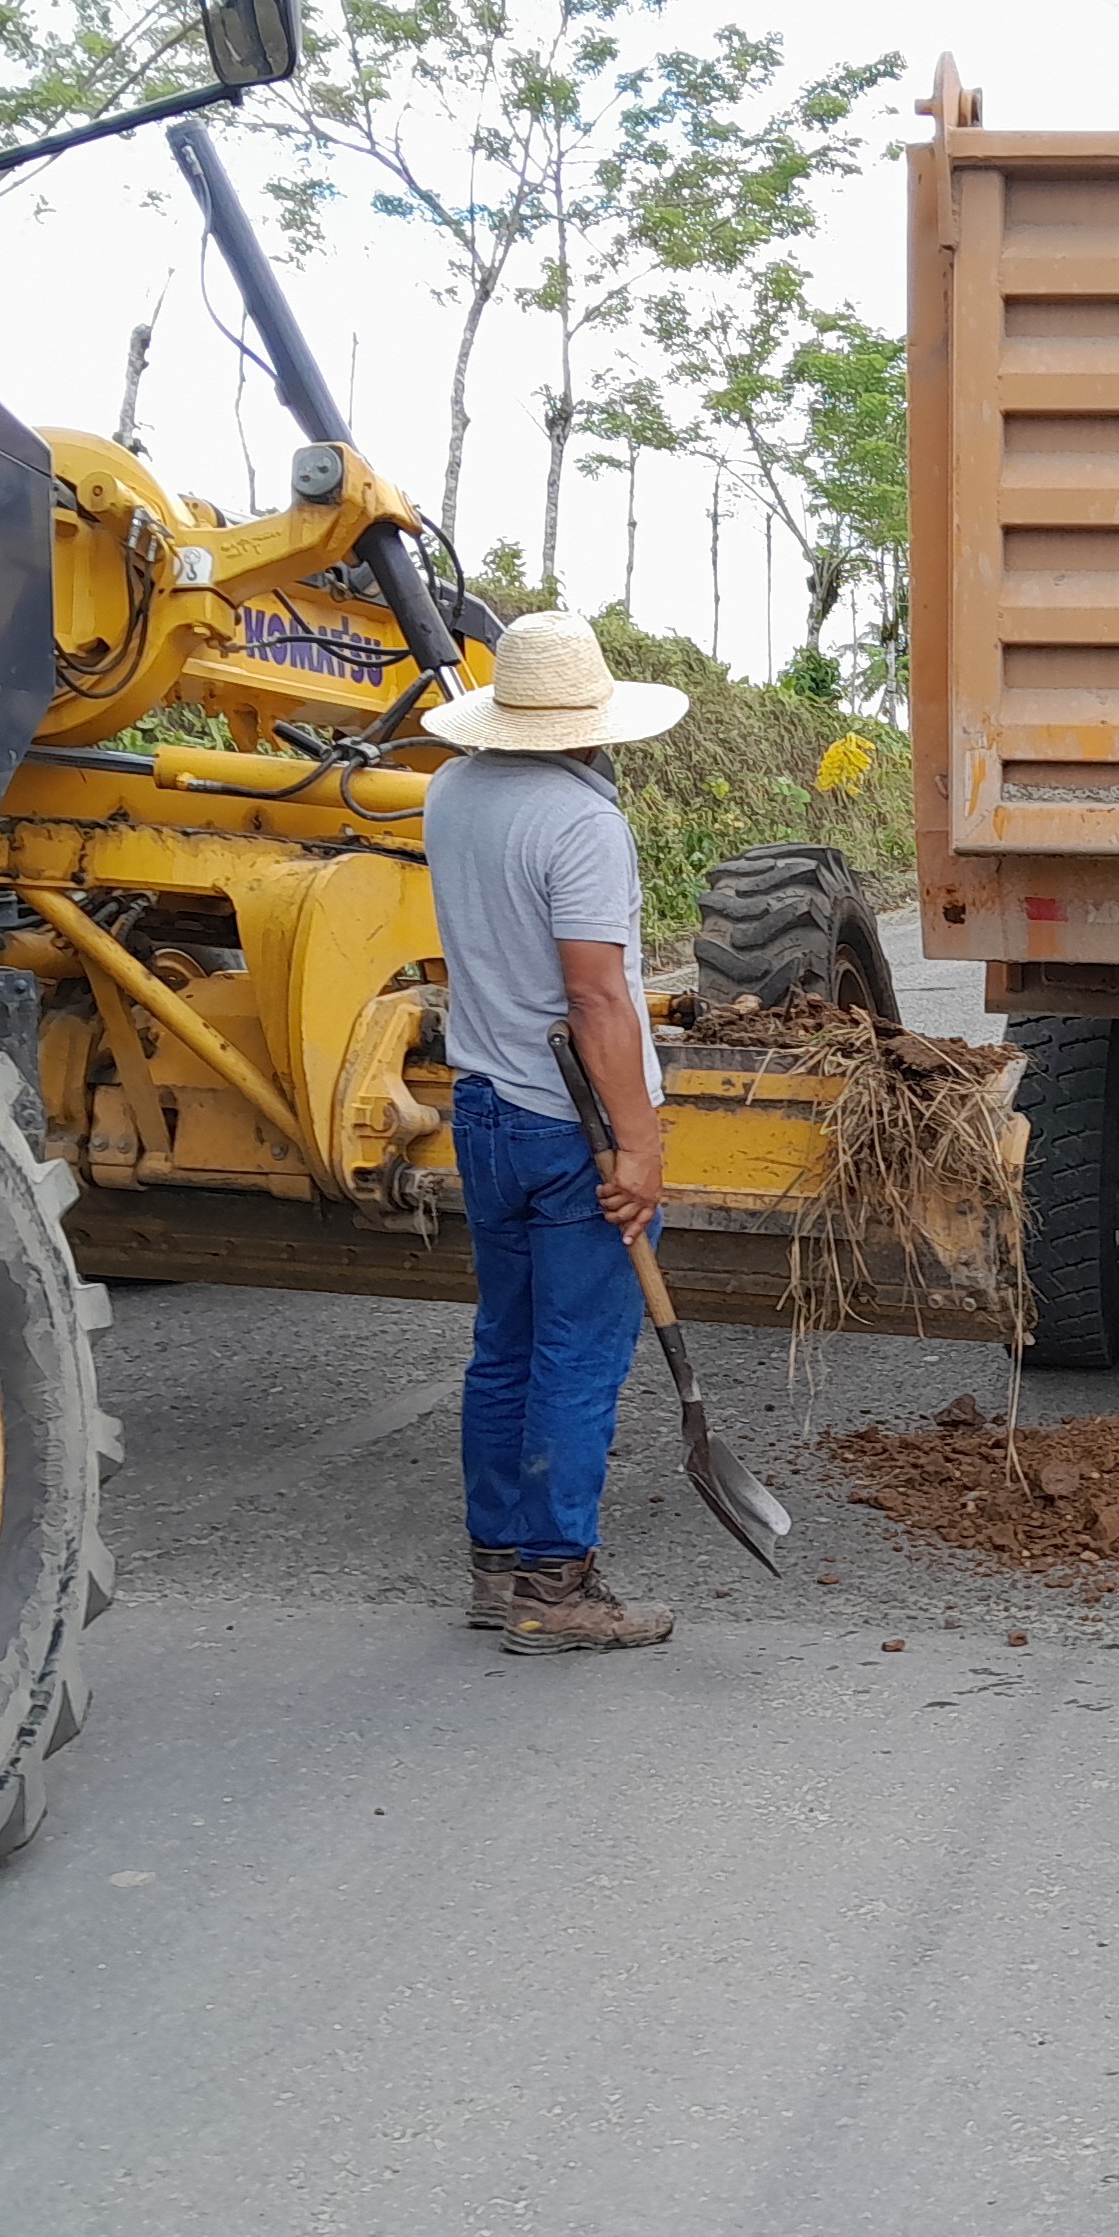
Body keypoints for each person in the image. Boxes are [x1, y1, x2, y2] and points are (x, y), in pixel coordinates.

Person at [421, 609, 692, 1653]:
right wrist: (639, 1146)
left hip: (485, 1107)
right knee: (576, 1358)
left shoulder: (451, 792)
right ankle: (555, 1587)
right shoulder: (581, 823)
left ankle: (497, 1571)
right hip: (570, 1124)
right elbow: (598, 998)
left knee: (506, 1345)